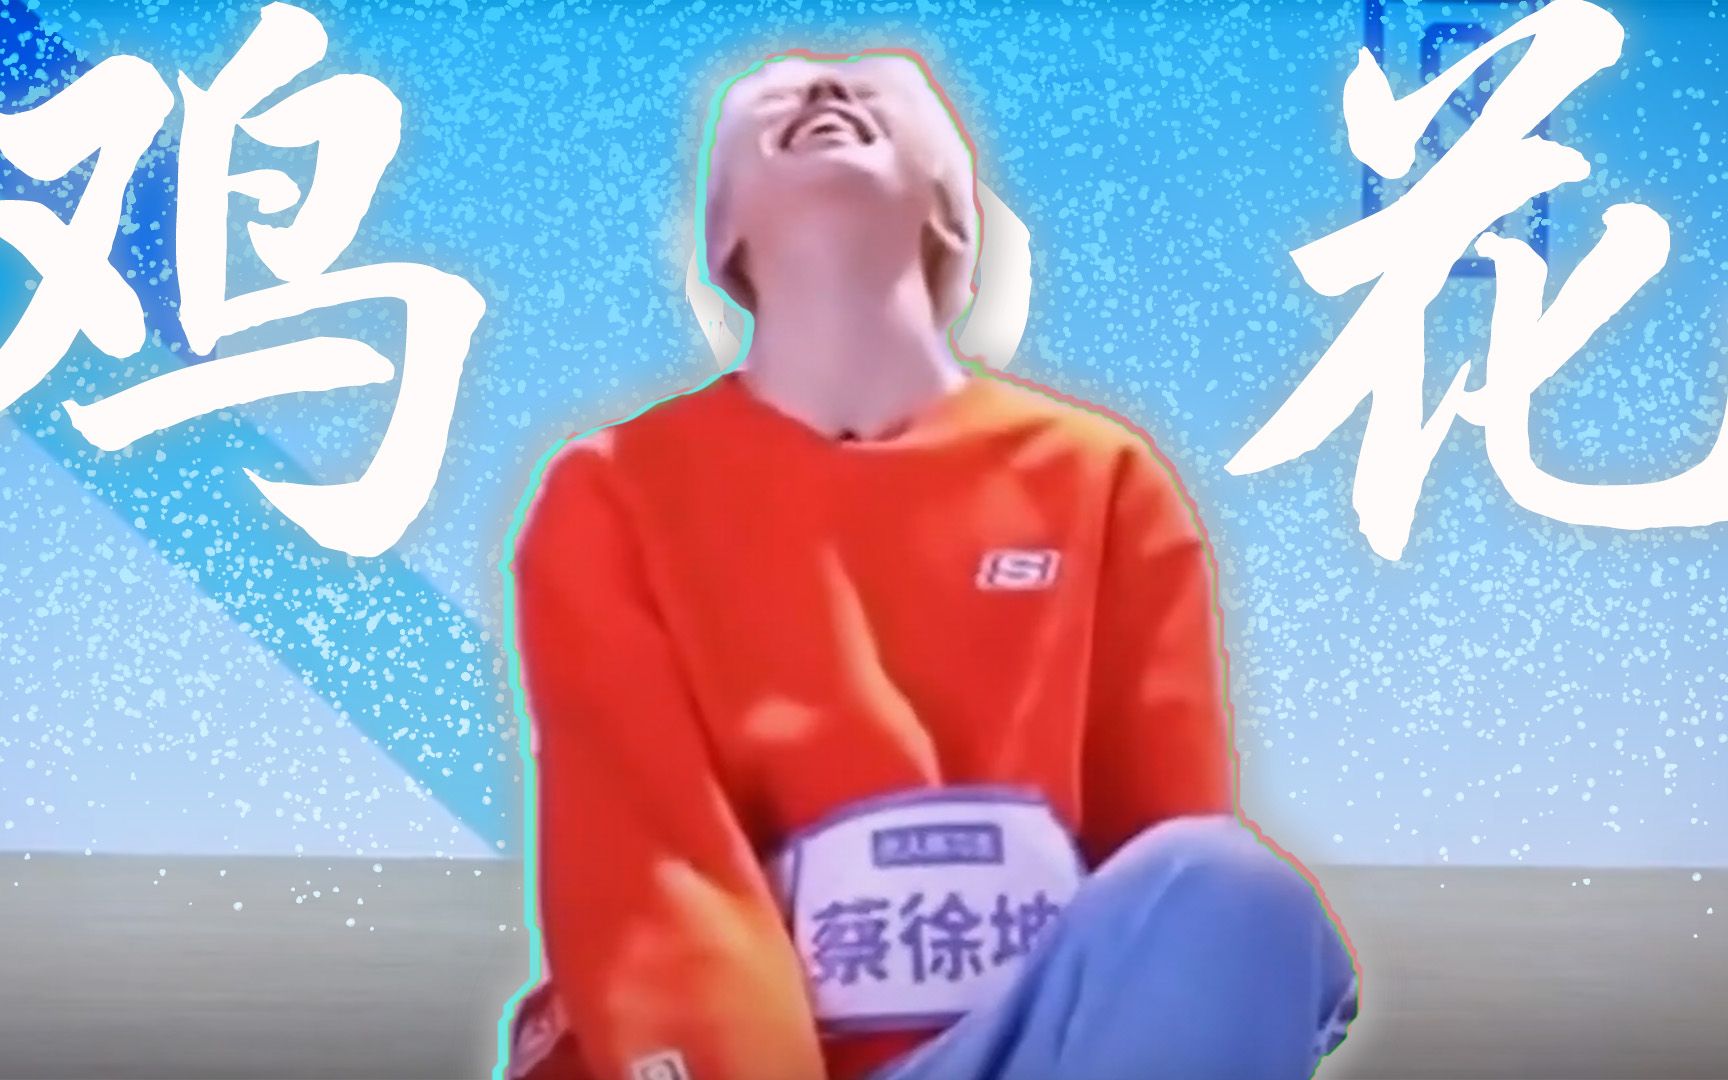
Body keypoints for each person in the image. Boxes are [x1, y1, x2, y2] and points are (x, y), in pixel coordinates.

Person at [503, 49, 1358, 1080]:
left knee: (1231, 891)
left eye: (876, 92)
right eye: (774, 98)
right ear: (721, 233)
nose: (825, 90)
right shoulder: (614, 490)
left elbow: (1158, 864)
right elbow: (647, 866)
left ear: (952, 211)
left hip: (1012, 1056)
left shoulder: (1102, 481)